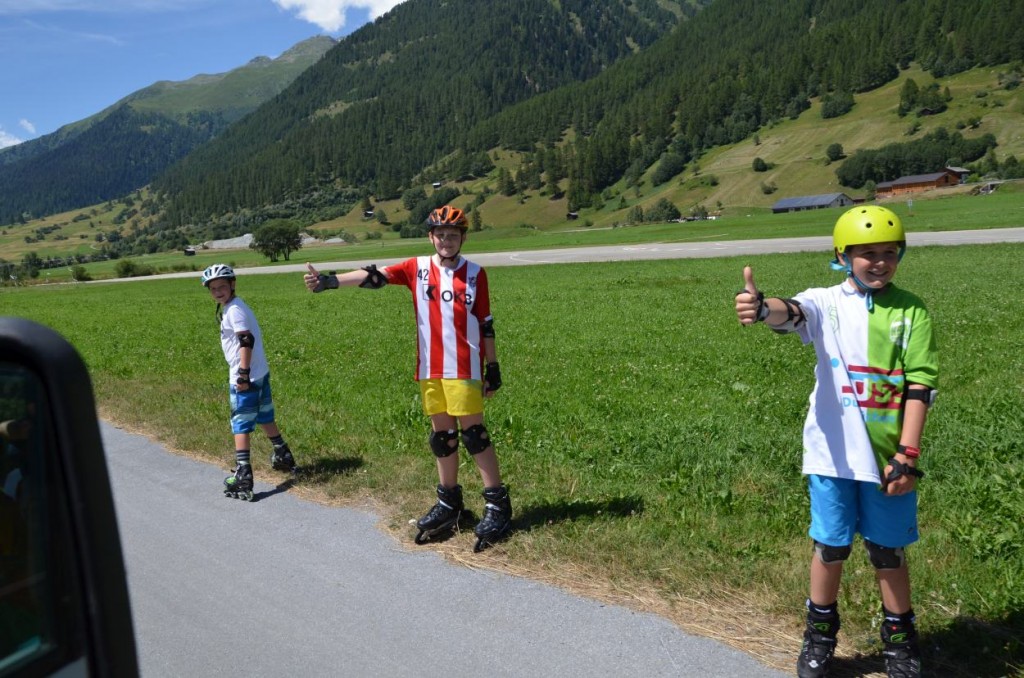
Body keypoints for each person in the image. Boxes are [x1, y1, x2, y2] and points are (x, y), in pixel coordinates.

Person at [734, 205, 938, 678]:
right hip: (831, 456)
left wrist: (907, 454)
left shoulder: (912, 310)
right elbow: (793, 311)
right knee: (831, 547)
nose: (880, 262)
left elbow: (920, 385)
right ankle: (819, 638)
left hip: (888, 458)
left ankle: (901, 643)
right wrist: (764, 307)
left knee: (888, 553)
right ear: (843, 256)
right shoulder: (825, 301)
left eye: (890, 252)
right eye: (867, 253)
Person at [303, 205, 511, 552]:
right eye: (441, 234)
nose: (447, 240)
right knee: (441, 437)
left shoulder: (476, 273)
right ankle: (449, 502)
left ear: (463, 238)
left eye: (453, 235)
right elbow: (373, 276)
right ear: (431, 237)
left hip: (464, 368)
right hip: (430, 368)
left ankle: (497, 504)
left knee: (474, 435)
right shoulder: (417, 268)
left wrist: (493, 367)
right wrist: (329, 281)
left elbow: (485, 323)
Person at [202, 264, 297, 501]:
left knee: (240, 424)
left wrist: (242, 374)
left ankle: (243, 473)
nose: (217, 291)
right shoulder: (235, 306)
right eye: (213, 288)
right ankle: (282, 452)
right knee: (264, 414)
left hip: (246, 375)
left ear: (232, 284)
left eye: (222, 286)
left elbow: (246, 340)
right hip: (259, 373)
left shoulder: (234, 310)